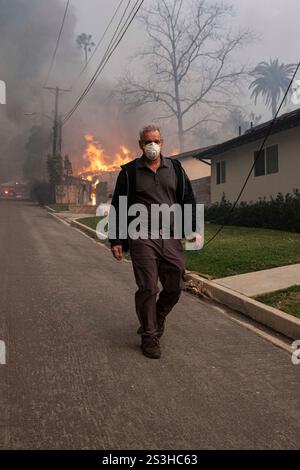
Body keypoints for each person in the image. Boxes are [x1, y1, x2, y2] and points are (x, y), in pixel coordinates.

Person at [109, 125, 202, 359]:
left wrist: (190, 229)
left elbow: (188, 199)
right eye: (148, 141)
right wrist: (117, 240)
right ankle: (149, 336)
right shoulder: (129, 172)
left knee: (175, 285)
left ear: (162, 142)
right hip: (141, 235)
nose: (153, 145)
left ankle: (158, 316)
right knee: (148, 287)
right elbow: (118, 207)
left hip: (170, 235)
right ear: (140, 144)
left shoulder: (176, 168)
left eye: (156, 141)